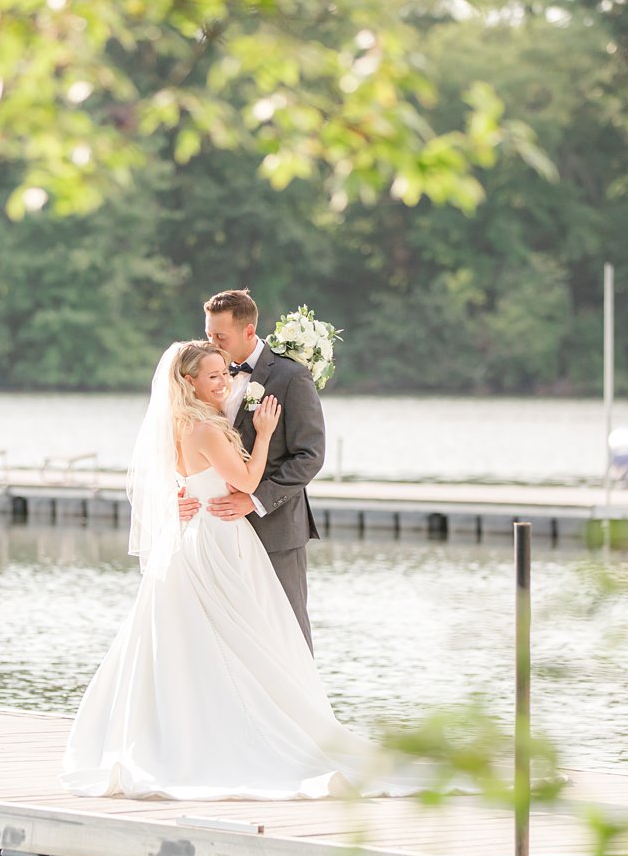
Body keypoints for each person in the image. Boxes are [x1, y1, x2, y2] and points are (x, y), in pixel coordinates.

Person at [60, 341, 434, 801]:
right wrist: (263, 432)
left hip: (191, 540)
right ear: (189, 382)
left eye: (225, 374)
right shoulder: (205, 428)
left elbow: (174, 480)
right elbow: (248, 481)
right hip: (219, 541)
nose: (226, 382)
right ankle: (238, 732)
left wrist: (181, 495)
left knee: (200, 641)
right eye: (214, 376)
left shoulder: (176, 425)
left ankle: (192, 727)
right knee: (240, 637)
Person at [186, 289, 325, 652]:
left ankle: (300, 709)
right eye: (208, 334)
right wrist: (182, 491)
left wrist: (256, 500)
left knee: (286, 629)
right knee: (228, 633)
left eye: (220, 337)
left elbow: (309, 455)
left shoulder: (292, 377)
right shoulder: (203, 376)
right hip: (218, 532)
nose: (210, 342)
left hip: (275, 527)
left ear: (249, 333)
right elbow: (188, 448)